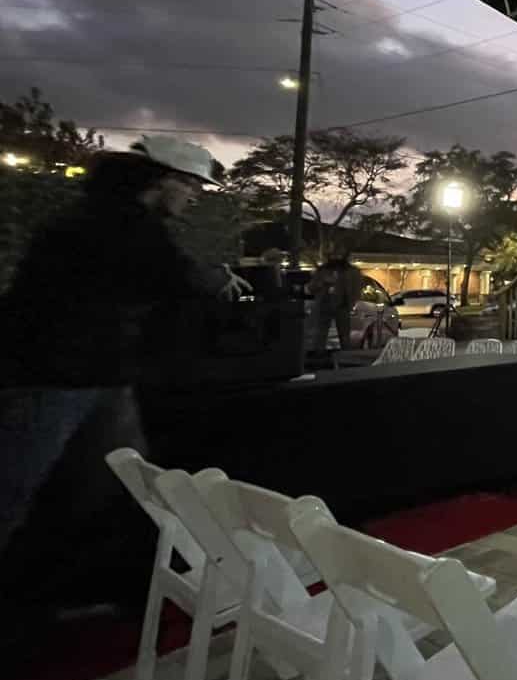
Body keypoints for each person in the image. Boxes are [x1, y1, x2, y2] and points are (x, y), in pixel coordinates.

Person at [0, 135, 248, 617]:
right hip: (53, 381)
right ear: (160, 181)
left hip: (96, 378)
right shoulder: (117, 224)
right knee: (17, 491)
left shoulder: (105, 218)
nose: (195, 195)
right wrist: (218, 278)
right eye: (190, 184)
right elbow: (174, 277)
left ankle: (50, 595)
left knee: (108, 488)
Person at [309, 250, 363, 350]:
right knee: (320, 334)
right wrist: (323, 283)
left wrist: (351, 301)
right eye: (333, 255)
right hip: (324, 306)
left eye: (338, 254)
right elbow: (311, 288)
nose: (336, 257)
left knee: (344, 335)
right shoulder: (322, 271)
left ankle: (345, 356)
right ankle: (318, 356)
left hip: (342, 305)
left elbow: (357, 287)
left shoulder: (352, 271)